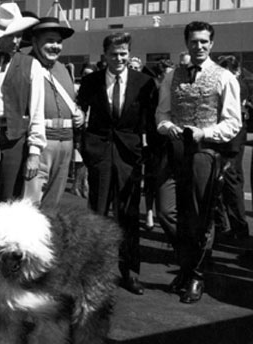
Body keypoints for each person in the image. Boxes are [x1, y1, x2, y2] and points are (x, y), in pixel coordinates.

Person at [156, 21, 241, 304]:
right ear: (187, 43)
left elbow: (233, 123)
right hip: (176, 150)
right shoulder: (172, 75)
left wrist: (206, 132)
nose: (199, 46)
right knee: (166, 210)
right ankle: (187, 263)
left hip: (205, 152)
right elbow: (162, 114)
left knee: (199, 218)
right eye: (194, 41)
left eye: (204, 42)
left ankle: (194, 275)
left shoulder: (224, 77)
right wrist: (168, 127)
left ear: (212, 44)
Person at [77, 32, 156, 296]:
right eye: (114, 54)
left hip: (128, 156)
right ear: (105, 56)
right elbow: (80, 119)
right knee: (97, 214)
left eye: (123, 54)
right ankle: (93, 272)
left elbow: (150, 124)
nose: (119, 58)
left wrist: (147, 157)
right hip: (99, 154)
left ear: (130, 54)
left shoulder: (144, 83)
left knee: (129, 215)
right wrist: (83, 157)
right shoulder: (90, 82)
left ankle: (130, 272)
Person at [21, 17, 83, 209]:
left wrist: (78, 111)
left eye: (58, 42)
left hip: (66, 142)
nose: (55, 46)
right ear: (35, 42)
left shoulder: (64, 69)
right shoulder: (24, 65)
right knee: (30, 203)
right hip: (40, 143)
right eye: (49, 40)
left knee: (52, 204)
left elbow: (72, 101)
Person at [0, 3, 43, 201]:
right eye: (11, 35)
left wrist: (34, 152)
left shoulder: (31, 65)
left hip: (13, 139)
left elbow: (37, 110)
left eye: (19, 35)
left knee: (8, 197)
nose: (16, 41)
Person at [215, 55, 249, 241]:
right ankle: (227, 226)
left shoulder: (236, 87)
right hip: (227, 141)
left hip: (231, 143)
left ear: (236, 71)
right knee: (227, 184)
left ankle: (238, 229)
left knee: (230, 182)